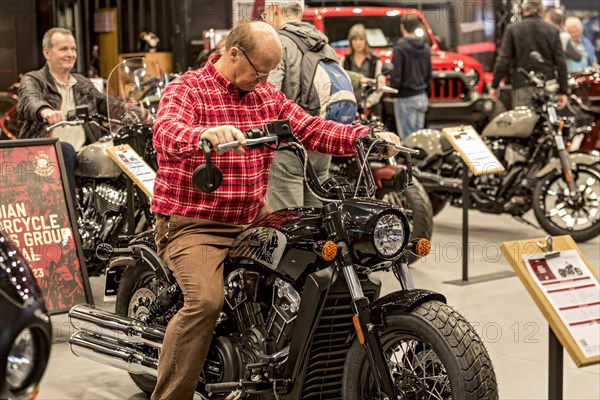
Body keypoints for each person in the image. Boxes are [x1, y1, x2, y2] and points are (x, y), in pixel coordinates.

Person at [150, 20, 400, 400]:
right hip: (193, 222)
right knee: (204, 302)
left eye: (269, 72)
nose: (264, 78)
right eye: (258, 69)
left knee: (313, 261)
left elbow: (312, 128)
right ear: (234, 53)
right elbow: (165, 131)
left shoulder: (266, 96)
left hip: (252, 215)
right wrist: (201, 135)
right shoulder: (189, 89)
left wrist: (364, 137)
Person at [262, 0, 352, 210]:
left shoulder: (279, 43)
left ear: (274, 9)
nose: (264, 19)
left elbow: (268, 97)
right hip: (322, 143)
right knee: (317, 221)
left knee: (288, 222)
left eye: (264, 14)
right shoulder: (324, 45)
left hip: (288, 146)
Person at [17, 27, 108, 196]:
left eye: (73, 49)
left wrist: (141, 111)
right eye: (63, 49)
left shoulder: (81, 82)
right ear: (47, 53)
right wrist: (44, 111)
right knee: (65, 149)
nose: (71, 54)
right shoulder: (33, 79)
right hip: (43, 153)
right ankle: (70, 216)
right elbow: (30, 100)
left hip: (84, 151)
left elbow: (108, 104)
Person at [489, 0, 568, 110]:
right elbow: (561, 63)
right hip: (548, 86)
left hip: (522, 86)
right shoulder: (552, 30)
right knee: (548, 124)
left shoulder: (512, 29)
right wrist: (564, 91)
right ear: (541, 10)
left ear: (524, 10)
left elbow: (504, 60)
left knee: (524, 124)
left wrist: (494, 85)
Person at [389, 14, 432, 139]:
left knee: (408, 140)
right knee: (419, 140)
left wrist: (394, 93)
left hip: (405, 98)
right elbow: (429, 74)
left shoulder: (399, 48)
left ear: (402, 27)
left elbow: (396, 75)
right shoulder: (425, 47)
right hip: (422, 97)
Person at [340, 23, 383, 117]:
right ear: (350, 41)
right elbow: (340, 82)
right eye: (355, 39)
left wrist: (369, 103)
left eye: (361, 39)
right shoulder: (344, 60)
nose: (358, 43)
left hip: (372, 109)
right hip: (349, 108)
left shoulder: (375, 61)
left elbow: (380, 86)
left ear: (366, 41)